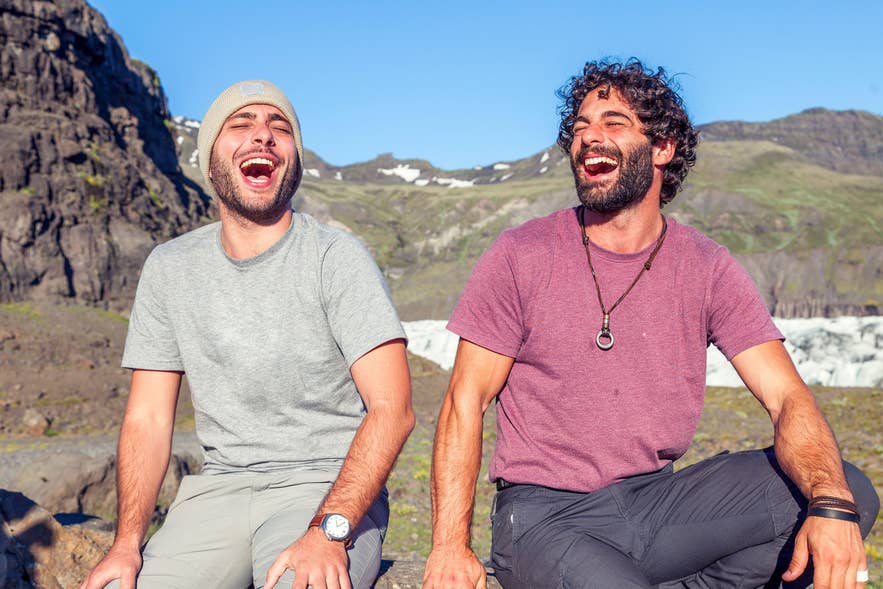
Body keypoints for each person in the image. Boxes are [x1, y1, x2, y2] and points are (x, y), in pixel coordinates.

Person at [423, 60, 878, 589]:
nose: (589, 137)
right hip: (543, 520)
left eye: (613, 123)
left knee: (847, 492)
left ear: (663, 148)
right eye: (579, 129)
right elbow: (464, 401)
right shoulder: (522, 253)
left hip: (657, 503)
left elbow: (787, 398)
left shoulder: (706, 266)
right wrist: (450, 547)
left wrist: (830, 504)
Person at [80, 80, 414, 589]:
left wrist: (329, 530)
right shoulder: (170, 268)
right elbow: (147, 418)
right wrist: (126, 546)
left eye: (279, 129)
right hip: (217, 494)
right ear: (210, 160)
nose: (263, 136)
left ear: (294, 161)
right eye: (241, 125)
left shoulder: (335, 258)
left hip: (324, 488)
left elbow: (393, 410)